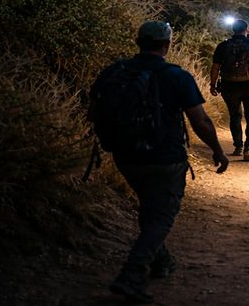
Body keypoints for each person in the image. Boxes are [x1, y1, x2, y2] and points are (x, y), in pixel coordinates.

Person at [91, 21, 229, 303]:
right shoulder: (176, 76)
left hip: (124, 155)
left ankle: (160, 260)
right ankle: (131, 275)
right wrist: (217, 149)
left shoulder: (115, 71)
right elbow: (199, 120)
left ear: (138, 41)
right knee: (161, 216)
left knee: (150, 208)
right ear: (167, 44)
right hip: (164, 158)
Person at [209, 19, 249, 162]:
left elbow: (215, 67)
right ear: (247, 30)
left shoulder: (223, 46)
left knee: (235, 116)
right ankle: (248, 148)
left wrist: (213, 84)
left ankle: (238, 146)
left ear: (233, 29)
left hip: (229, 86)